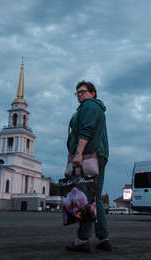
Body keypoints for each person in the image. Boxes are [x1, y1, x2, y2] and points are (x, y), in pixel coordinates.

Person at [65, 80, 111, 252]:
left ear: (93, 93)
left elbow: (87, 130)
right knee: (95, 197)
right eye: (77, 92)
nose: (80, 95)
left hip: (89, 156)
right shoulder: (92, 108)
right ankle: (103, 237)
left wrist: (78, 154)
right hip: (97, 155)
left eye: (83, 91)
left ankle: (82, 240)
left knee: (85, 197)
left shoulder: (89, 105)